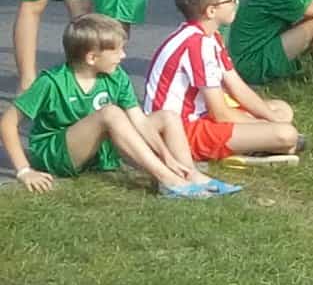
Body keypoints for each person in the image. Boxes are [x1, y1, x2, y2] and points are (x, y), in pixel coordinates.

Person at [2, 14, 235, 198]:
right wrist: (24, 171)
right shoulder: (51, 82)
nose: (123, 56)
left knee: (167, 117)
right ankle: (168, 180)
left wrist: (167, 155)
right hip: (58, 154)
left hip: (98, 149)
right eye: (117, 51)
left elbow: (140, 121)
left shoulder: (117, 76)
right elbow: (8, 123)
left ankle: (188, 172)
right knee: (111, 113)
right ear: (92, 58)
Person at [144, 0, 305, 164]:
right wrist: (264, 124)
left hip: (199, 117)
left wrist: (270, 117)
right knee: (286, 134)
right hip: (180, 132)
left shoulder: (210, 36)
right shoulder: (197, 44)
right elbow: (220, 113)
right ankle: (249, 148)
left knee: (281, 109)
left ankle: (254, 145)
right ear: (211, 11)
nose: (236, 3)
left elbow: (236, 85)